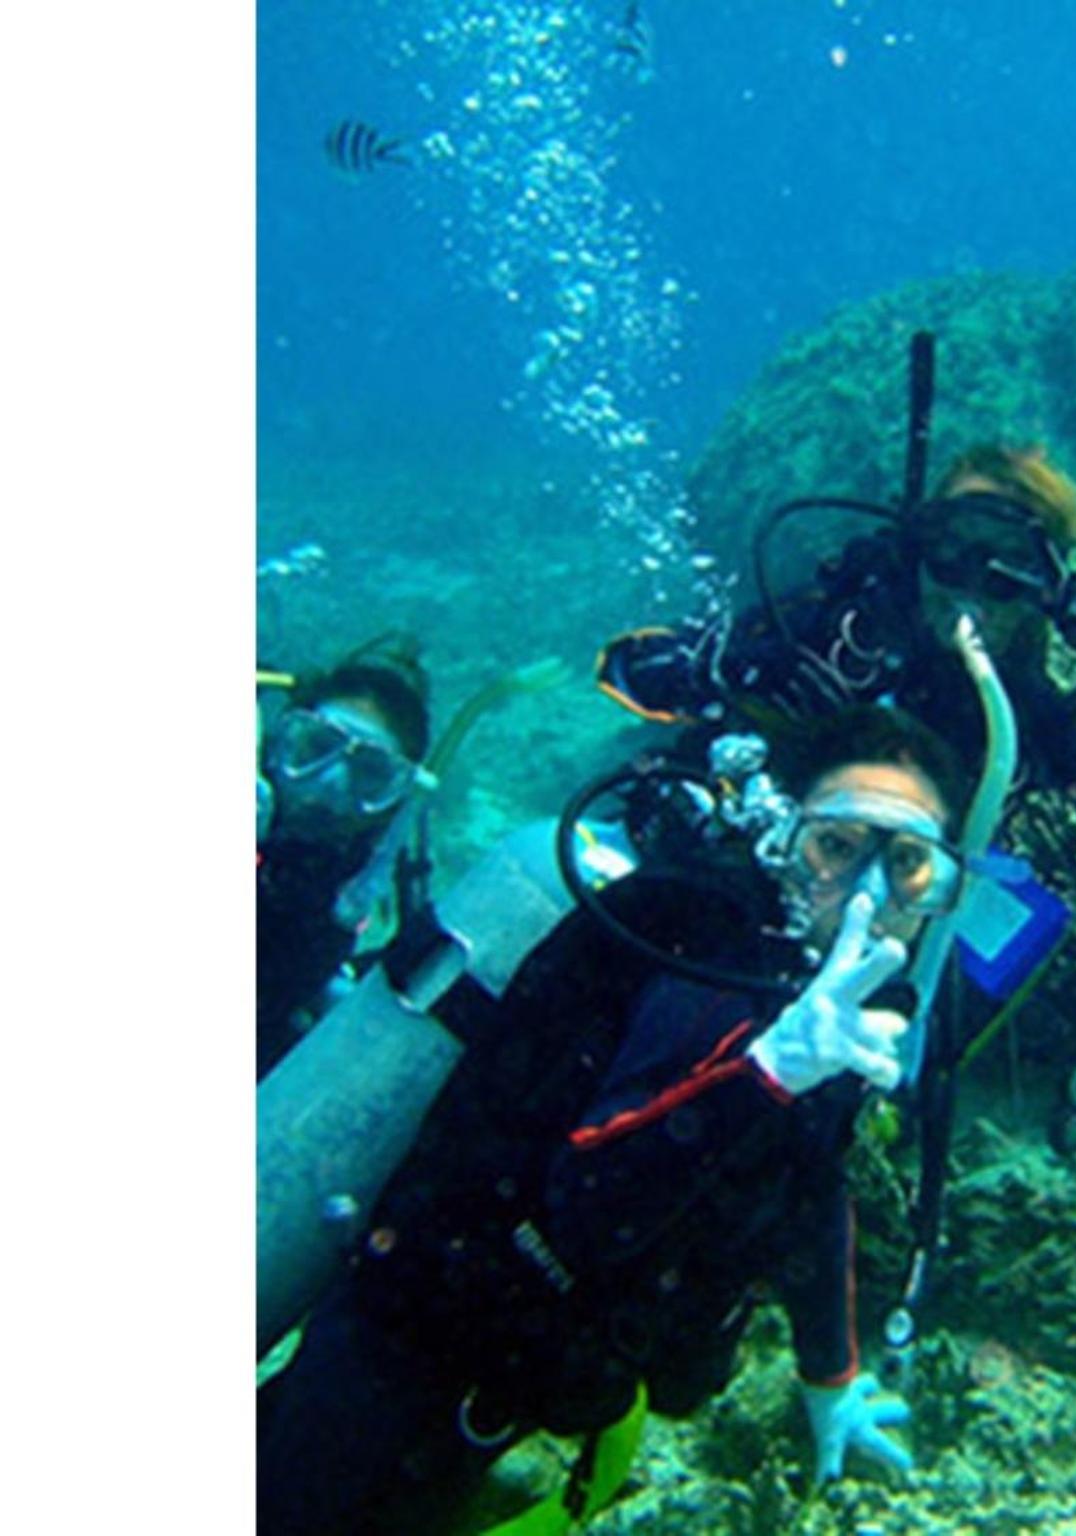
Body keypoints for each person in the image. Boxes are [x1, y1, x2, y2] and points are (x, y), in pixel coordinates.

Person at [257, 704, 970, 1536]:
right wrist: (765, 1075)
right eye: (837, 847)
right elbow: (585, 1207)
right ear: (784, 839)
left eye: (908, 863)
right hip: (412, 1348)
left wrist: (831, 1380)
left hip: (506, 1380)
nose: (866, 896)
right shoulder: (704, 955)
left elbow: (814, 1184)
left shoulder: (824, 1005)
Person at [596, 442, 1076, 806]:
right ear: (918, 542)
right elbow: (636, 667)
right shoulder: (837, 628)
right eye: (952, 544)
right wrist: (725, 672)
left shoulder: (1023, 715)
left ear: (1046, 588)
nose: (966, 583)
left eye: (1005, 563)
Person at [257, 634, 433, 1078]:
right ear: (275, 742)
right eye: (314, 748)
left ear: (395, 802)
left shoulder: (356, 887)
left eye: (371, 773)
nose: (330, 784)